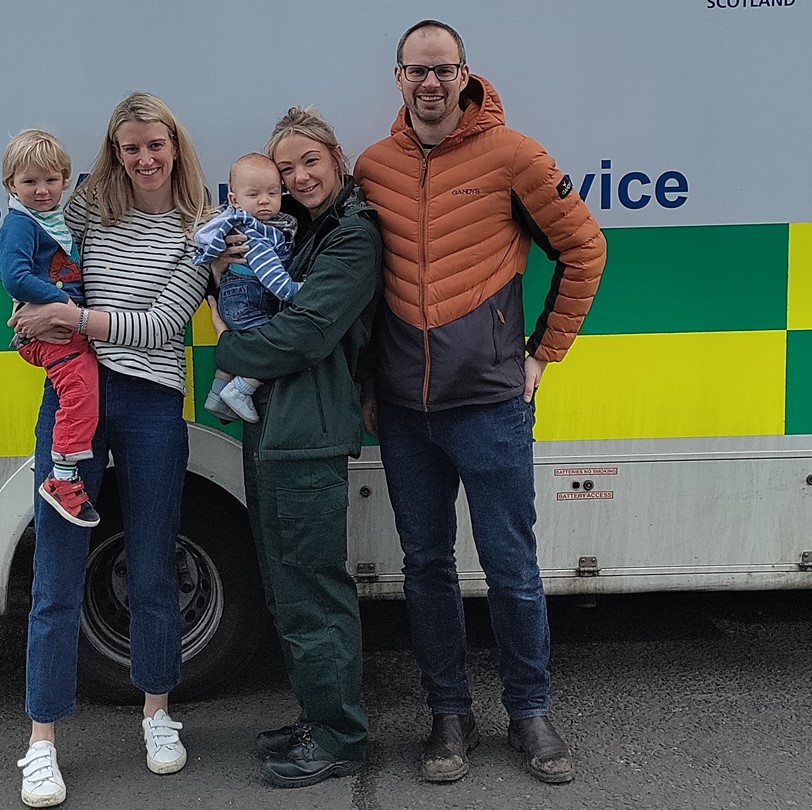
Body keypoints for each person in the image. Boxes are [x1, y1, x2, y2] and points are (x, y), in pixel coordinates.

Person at [354, 20, 607, 786]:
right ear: (398, 78)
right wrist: (368, 381)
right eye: (416, 71)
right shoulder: (373, 166)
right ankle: (449, 714)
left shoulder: (514, 156)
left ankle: (530, 713)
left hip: (492, 403)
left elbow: (585, 249)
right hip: (404, 409)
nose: (430, 84)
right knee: (427, 566)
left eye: (443, 70)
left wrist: (542, 356)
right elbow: (360, 286)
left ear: (466, 74)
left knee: (510, 566)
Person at [6, 92, 212, 808]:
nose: (145, 158)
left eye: (156, 144)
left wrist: (68, 316)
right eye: (130, 148)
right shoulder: (90, 207)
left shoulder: (201, 224)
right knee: (56, 574)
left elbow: (162, 326)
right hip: (73, 400)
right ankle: (40, 743)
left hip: (153, 403)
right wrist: (28, 316)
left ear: (175, 146)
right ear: (114, 153)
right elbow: (37, 246)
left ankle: (158, 714)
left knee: (154, 565)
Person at [209, 106, 382, 788]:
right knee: (286, 585)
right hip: (277, 428)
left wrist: (225, 344)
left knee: (312, 587)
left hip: (307, 434)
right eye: (285, 169)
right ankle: (317, 715)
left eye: (310, 161)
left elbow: (305, 336)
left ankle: (339, 736)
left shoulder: (352, 236)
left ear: (336, 157)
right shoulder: (300, 232)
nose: (299, 176)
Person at [0, 129, 101, 528]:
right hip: (51, 330)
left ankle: (66, 474)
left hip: (63, 325)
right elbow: (14, 276)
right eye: (30, 182)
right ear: (11, 184)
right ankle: (62, 477)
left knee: (84, 386)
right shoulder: (20, 226)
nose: (42, 190)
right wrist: (65, 307)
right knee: (81, 386)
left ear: (65, 180)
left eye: (51, 180)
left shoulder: (53, 219)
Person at [193, 152, 300, 423]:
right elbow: (272, 276)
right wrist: (294, 290)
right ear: (234, 200)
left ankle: (218, 395)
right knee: (273, 345)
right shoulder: (255, 232)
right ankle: (242, 388)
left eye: (273, 193)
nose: (264, 201)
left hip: (237, 298)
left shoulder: (263, 224)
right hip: (248, 298)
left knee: (242, 343)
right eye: (254, 195)